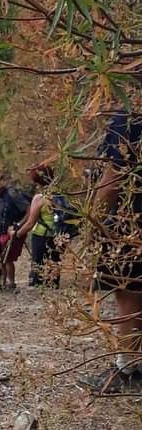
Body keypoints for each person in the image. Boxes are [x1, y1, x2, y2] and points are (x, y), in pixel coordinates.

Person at [78, 110, 142, 393]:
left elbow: (111, 182)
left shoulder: (129, 119)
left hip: (132, 222)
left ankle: (127, 369)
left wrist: (93, 226)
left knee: (129, 292)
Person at [11, 165, 62, 288]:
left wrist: (17, 234)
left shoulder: (39, 198)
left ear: (36, 181)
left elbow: (30, 223)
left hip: (41, 237)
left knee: (38, 269)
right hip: (59, 237)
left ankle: (37, 291)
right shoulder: (60, 195)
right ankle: (53, 290)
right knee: (54, 268)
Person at [0, 172, 30, 290]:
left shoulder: (12, 194)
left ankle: (11, 283)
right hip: (2, 232)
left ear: (2, 182)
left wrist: (18, 225)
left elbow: (29, 209)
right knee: (1, 258)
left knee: (8, 258)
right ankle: (3, 282)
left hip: (12, 232)